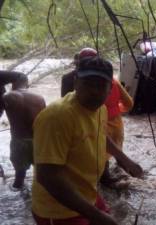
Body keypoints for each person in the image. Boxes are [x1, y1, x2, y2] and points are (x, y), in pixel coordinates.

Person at [32, 56, 143, 225]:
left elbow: (99, 134)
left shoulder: (100, 109)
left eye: (101, 86)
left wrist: (124, 159)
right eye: (88, 83)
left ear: (110, 88)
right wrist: (96, 216)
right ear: (76, 82)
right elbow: (47, 176)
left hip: (86, 191)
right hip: (58, 209)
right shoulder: (56, 117)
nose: (94, 91)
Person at [2, 73, 46, 189]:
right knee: (42, 175)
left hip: (18, 140)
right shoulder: (39, 98)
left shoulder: (7, 97)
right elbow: (45, 120)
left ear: (13, 83)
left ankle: (18, 195)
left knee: (19, 177)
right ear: (27, 83)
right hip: (37, 140)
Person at [101, 77, 134, 185]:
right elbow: (129, 103)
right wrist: (118, 108)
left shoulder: (81, 84)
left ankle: (105, 177)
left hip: (101, 123)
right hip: (117, 124)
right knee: (117, 149)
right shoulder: (114, 82)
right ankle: (125, 170)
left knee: (103, 154)